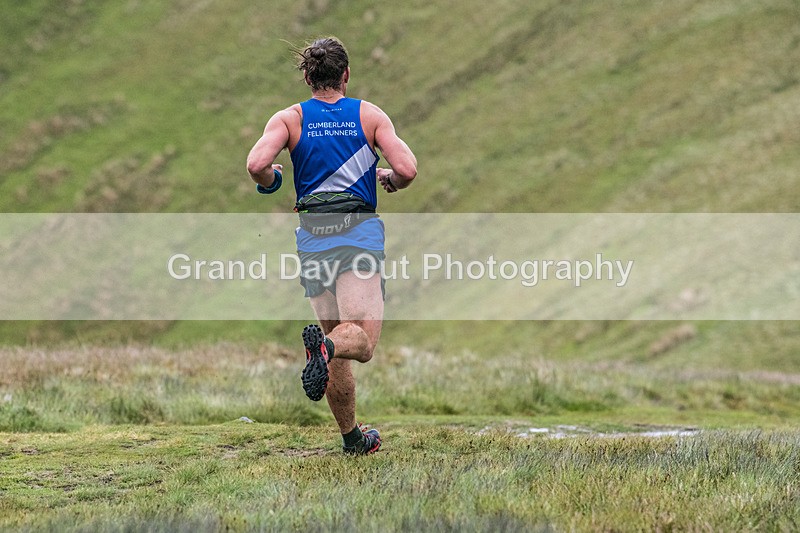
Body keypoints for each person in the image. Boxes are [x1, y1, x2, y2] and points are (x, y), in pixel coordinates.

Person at [246, 37, 417, 455]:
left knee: (337, 345)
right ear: (345, 75)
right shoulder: (368, 115)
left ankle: (353, 439)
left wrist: (273, 183)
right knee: (358, 341)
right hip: (356, 235)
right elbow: (407, 168)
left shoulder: (289, 119)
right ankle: (323, 349)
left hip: (312, 240)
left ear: (307, 77)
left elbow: (256, 165)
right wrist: (391, 183)